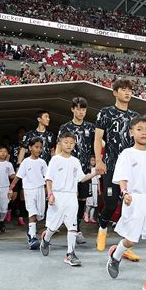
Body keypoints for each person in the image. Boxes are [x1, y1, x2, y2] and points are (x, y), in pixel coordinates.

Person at [106, 116, 146, 290]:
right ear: (131, 132)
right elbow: (122, 177)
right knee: (131, 240)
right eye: (140, 129)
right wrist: (125, 193)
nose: (144, 133)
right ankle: (116, 255)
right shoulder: (127, 153)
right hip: (134, 199)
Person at [94, 79, 140, 261]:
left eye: (130, 90)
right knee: (111, 202)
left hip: (130, 167)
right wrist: (99, 160)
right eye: (123, 89)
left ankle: (125, 245)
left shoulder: (135, 116)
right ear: (115, 92)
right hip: (112, 165)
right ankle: (102, 228)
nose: (127, 93)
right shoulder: (105, 113)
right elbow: (98, 138)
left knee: (128, 205)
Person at [40, 132, 97, 266]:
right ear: (60, 143)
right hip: (57, 196)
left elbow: (82, 178)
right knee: (53, 227)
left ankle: (70, 254)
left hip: (72, 196)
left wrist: (95, 173)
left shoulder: (75, 161)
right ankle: (46, 237)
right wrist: (50, 194)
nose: (69, 145)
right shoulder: (55, 160)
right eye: (66, 142)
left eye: (72, 143)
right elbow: (49, 179)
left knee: (73, 226)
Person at [56, 97, 95, 245]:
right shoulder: (65, 127)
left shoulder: (91, 127)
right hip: (67, 170)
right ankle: (58, 223)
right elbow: (58, 147)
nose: (81, 112)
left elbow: (99, 143)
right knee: (66, 198)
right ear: (72, 109)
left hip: (84, 171)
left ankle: (77, 229)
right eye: (78, 109)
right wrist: (56, 165)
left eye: (83, 109)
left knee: (82, 200)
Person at [9, 137, 47, 250]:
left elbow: (47, 177)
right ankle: (33, 237)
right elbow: (18, 176)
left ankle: (30, 232)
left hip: (40, 189)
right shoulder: (25, 162)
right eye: (36, 147)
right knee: (32, 213)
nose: (38, 149)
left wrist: (49, 191)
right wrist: (11, 188)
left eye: (40, 147)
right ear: (30, 148)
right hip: (29, 190)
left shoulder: (42, 162)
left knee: (39, 215)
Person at [9, 126, 27, 226]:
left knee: (22, 195)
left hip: (25, 174)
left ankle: (21, 216)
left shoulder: (29, 145)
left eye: (24, 133)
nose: (22, 135)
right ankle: (9, 211)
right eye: (20, 133)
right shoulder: (13, 146)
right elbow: (9, 157)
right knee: (13, 195)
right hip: (15, 172)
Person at [84, 155, 100, 224]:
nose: (93, 161)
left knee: (94, 203)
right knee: (89, 202)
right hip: (90, 186)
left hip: (95, 186)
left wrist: (99, 189)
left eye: (94, 160)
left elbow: (98, 179)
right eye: (92, 160)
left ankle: (91, 217)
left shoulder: (97, 168)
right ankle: (86, 214)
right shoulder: (87, 169)